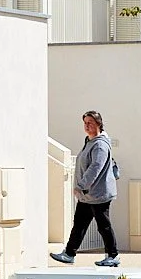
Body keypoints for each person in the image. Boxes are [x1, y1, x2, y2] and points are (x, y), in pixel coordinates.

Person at [53, 109, 120, 267]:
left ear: (99, 123)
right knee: (80, 224)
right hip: (88, 195)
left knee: (103, 225)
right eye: (85, 123)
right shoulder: (89, 142)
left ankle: (113, 255)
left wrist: (81, 185)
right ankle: (69, 253)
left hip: (98, 194)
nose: (87, 126)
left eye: (90, 122)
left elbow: (96, 167)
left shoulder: (100, 145)